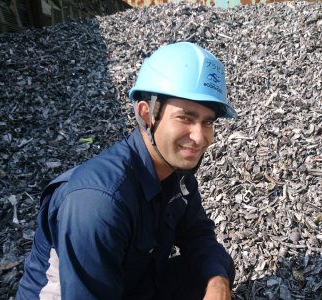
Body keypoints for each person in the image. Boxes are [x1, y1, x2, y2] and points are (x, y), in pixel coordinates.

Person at [16, 42, 237, 300]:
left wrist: (218, 282)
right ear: (147, 114)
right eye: (185, 118)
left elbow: (197, 234)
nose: (199, 137)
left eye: (207, 122)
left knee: (214, 271)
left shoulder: (178, 175)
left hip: (132, 283)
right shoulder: (99, 202)